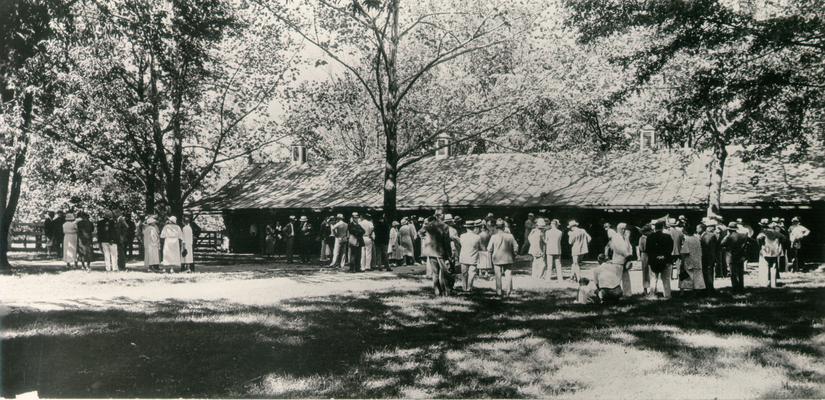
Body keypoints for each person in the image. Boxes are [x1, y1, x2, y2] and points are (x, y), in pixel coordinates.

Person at [421, 216, 452, 296]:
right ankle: (447, 292)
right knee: (445, 273)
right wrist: (449, 254)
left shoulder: (427, 226)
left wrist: (424, 238)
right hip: (441, 252)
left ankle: (437, 292)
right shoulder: (444, 226)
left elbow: (420, 232)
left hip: (431, 252)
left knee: (435, 273)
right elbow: (446, 241)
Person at [488, 218, 519, 298]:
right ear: (504, 227)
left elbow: (489, 249)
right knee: (508, 274)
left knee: (498, 275)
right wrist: (514, 254)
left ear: (496, 227)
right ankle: (509, 291)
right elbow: (516, 247)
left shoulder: (493, 237)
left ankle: (499, 292)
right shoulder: (510, 236)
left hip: (497, 258)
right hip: (508, 258)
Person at [645, 221, 675, 299]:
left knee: (653, 278)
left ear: (655, 228)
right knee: (666, 279)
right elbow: (670, 249)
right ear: (662, 228)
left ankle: (652, 295)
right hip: (666, 260)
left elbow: (648, 249)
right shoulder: (668, 237)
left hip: (653, 260)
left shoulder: (650, 237)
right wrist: (663, 256)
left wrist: (655, 256)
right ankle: (667, 295)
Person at [721, 222, 749, 292]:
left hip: (731, 256)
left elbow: (722, 243)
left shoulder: (729, 237)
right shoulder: (743, 236)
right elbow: (751, 242)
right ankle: (741, 287)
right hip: (741, 256)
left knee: (733, 273)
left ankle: (735, 288)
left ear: (729, 229)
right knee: (740, 272)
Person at [757, 222, 786, 288]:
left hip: (766, 251)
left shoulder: (763, 233)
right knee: (774, 267)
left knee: (765, 267)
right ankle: (773, 284)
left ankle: (765, 283)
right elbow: (784, 238)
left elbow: (758, 238)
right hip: (775, 252)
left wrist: (761, 245)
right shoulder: (777, 233)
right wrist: (779, 243)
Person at [679, 224, 706, 292]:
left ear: (686, 232)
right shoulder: (697, 239)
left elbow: (684, 252)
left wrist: (682, 263)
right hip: (697, 260)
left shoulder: (687, 240)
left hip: (690, 261)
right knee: (697, 277)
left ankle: (683, 292)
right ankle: (697, 290)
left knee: (686, 276)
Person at [458, 220, 483, 292]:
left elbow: (461, 245)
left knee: (464, 274)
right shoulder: (477, 237)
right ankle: (469, 288)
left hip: (464, 257)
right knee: (471, 273)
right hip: (473, 257)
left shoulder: (462, 236)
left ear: (466, 228)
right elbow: (480, 247)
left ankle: (464, 288)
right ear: (473, 228)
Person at [611, 222, 633, 296]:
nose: (623, 230)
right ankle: (615, 293)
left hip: (625, 260)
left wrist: (627, 238)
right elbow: (620, 248)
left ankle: (627, 293)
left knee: (626, 278)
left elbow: (629, 247)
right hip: (618, 260)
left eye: (624, 229)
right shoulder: (616, 237)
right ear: (618, 229)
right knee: (617, 278)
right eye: (622, 229)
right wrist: (627, 255)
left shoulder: (625, 237)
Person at [699, 220, 719, 290]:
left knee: (709, 273)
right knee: (706, 273)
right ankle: (706, 287)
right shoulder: (703, 236)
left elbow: (714, 248)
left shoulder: (710, 236)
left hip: (708, 258)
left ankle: (709, 288)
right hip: (705, 257)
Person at [638, 223, 652, 295]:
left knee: (651, 272)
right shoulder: (642, 238)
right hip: (645, 255)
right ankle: (645, 289)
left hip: (649, 254)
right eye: (649, 231)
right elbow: (642, 248)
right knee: (645, 272)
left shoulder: (649, 237)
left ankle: (652, 289)